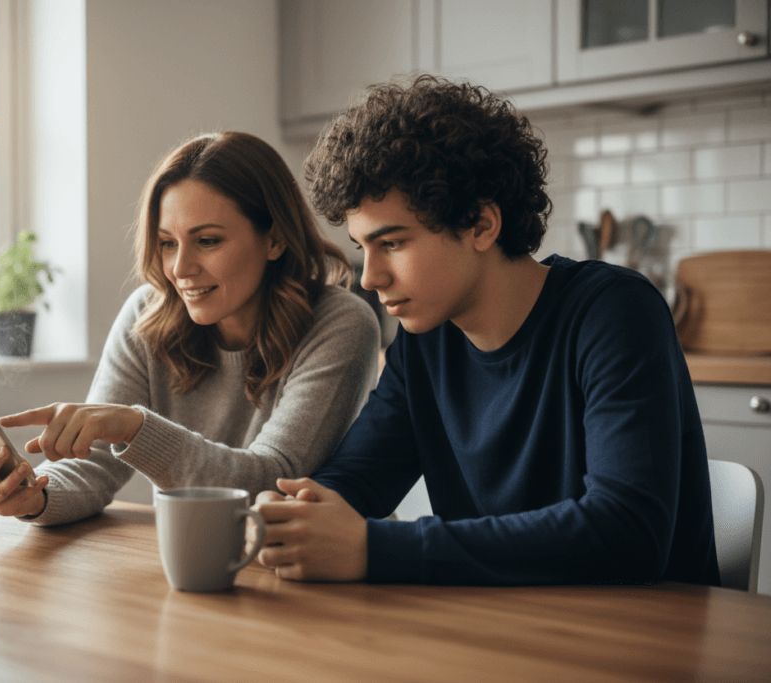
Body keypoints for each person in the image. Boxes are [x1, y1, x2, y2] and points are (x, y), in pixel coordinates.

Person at [250, 75, 720, 587]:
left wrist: (375, 547)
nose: (370, 277)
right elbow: (357, 478)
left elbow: (628, 534)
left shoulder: (614, 313)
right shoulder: (425, 340)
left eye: (394, 244)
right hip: (500, 633)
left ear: (480, 225)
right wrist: (292, 511)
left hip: (644, 644)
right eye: (364, 248)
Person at [0, 131, 381, 526]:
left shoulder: (339, 323)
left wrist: (132, 427)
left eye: (208, 241)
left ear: (274, 240)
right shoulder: (148, 314)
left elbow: (271, 481)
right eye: (167, 243)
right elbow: (94, 463)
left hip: (325, 572)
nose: (180, 269)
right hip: (203, 556)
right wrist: (36, 497)